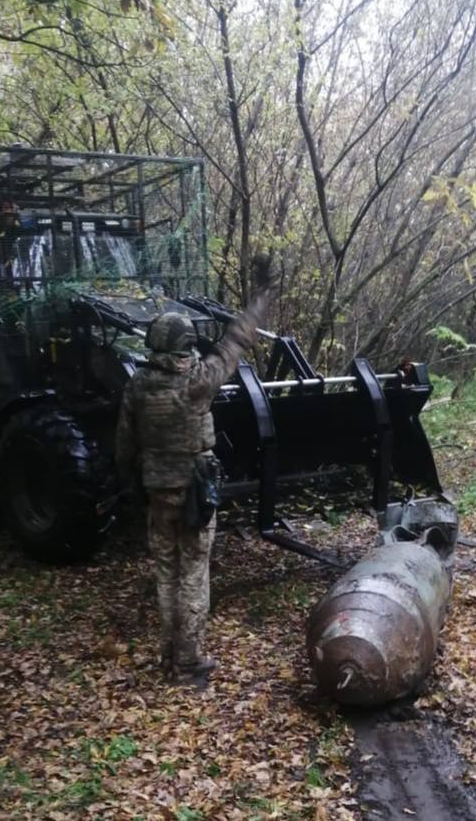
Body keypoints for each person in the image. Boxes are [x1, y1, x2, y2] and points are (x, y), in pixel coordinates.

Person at [115, 258, 273, 683]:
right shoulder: (199, 381)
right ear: (186, 345)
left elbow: (124, 444)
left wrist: (128, 482)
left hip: (157, 490)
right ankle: (187, 660)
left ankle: (170, 654)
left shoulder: (137, 385)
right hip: (194, 492)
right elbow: (236, 341)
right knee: (193, 574)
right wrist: (261, 297)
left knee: (166, 573)